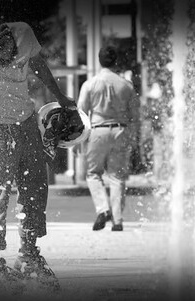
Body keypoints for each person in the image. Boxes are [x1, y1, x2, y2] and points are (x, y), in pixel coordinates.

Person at [0, 17, 77, 291]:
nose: (12, 63)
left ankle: (28, 256)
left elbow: (37, 63)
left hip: (26, 122)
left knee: (36, 188)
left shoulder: (24, 32)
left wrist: (59, 95)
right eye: (0, 56)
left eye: (13, 55)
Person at [76, 46, 140, 232]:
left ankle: (103, 210)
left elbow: (81, 114)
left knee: (93, 173)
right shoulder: (126, 85)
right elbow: (135, 114)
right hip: (120, 130)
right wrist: (133, 137)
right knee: (117, 176)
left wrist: (78, 140)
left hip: (97, 130)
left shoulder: (90, 83)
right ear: (116, 60)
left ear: (99, 60)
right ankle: (118, 220)